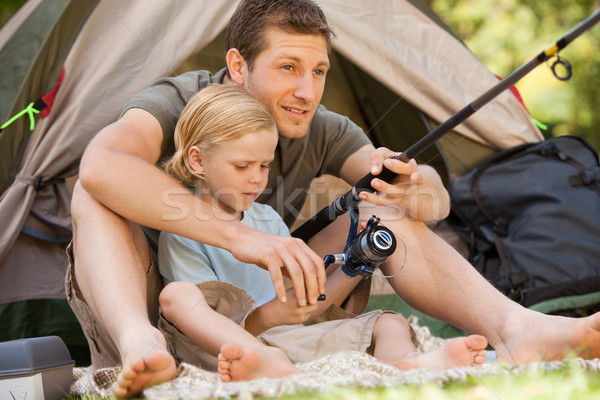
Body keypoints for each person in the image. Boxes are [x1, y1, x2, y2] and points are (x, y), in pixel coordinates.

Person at [67, 0, 600, 397]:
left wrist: (417, 189)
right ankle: (142, 346)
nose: (307, 90)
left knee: (381, 205)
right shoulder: (181, 102)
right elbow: (101, 165)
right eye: (288, 68)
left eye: (319, 71)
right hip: (168, 302)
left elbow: (429, 203)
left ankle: (516, 328)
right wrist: (243, 237)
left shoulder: (321, 126)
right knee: (94, 194)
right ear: (237, 66)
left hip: (270, 306)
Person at [153, 84, 488, 384]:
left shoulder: (268, 219)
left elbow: (305, 310)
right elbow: (196, 325)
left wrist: (354, 264)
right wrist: (267, 317)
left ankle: (406, 365)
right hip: (225, 349)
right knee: (176, 295)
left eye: (265, 166)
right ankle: (262, 363)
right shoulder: (182, 231)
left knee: (390, 322)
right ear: (197, 160)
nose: (257, 179)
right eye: (243, 166)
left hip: (286, 340)